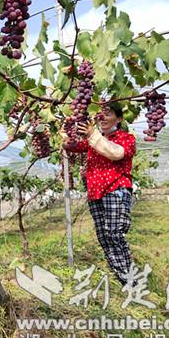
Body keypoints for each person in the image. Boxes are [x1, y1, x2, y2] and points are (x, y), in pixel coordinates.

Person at [63, 104, 137, 285]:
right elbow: (72, 145)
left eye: (108, 114)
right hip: (95, 194)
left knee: (114, 234)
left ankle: (131, 281)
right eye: (101, 114)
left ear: (119, 119)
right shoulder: (93, 141)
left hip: (115, 190)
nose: (102, 118)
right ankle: (121, 277)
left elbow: (115, 153)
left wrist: (92, 134)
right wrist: (66, 129)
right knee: (104, 237)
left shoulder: (126, 138)